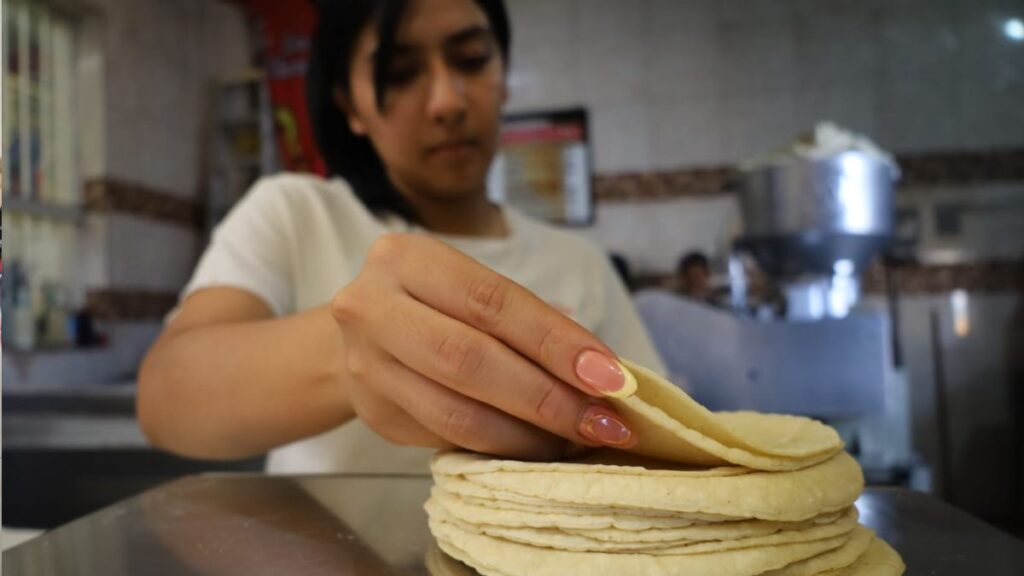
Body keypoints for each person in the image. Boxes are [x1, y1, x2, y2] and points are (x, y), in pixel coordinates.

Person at [137, 0, 665, 475]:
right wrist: (351, 355)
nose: (447, 101)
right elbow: (166, 397)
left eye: (472, 59)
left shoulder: (581, 263)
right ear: (350, 106)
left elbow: (662, 440)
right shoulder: (296, 213)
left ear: (503, 74)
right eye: (399, 73)